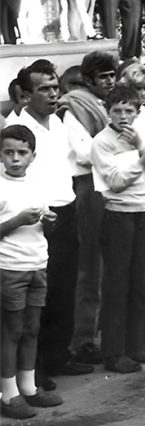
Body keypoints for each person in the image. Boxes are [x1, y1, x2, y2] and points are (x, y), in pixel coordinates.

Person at [8, 61, 92, 384]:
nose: (53, 94)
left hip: (66, 212)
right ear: (26, 94)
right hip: (37, 220)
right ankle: (35, 368)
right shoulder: (17, 131)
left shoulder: (58, 123)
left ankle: (58, 357)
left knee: (64, 288)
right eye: (44, 89)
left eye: (56, 87)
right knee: (39, 296)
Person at [91, 84, 145, 373]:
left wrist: (141, 146)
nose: (123, 116)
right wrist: (143, 159)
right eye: (117, 110)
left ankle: (137, 345)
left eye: (129, 110)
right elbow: (115, 181)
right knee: (116, 285)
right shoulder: (102, 142)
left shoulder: (140, 135)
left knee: (138, 283)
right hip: (118, 216)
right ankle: (113, 352)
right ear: (107, 111)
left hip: (142, 212)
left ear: (138, 112)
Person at [0, 124, 62, 419]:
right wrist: (19, 220)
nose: (15, 158)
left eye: (22, 153)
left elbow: (44, 226)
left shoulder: (36, 183)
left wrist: (49, 220)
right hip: (9, 267)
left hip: (37, 264)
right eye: (8, 152)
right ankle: (8, 393)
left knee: (32, 327)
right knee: (11, 330)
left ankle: (29, 387)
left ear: (32, 156)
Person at [58, 51, 116, 368]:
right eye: (103, 76)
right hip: (87, 188)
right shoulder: (75, 107)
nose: (109, 81)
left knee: (111, 261)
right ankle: (82, 339)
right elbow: (83, 153)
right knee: (90, 264)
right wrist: (113, 146)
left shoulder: (104, 105)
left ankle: (107, 332)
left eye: (112, 76)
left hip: (108, 183)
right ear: (89, 79)